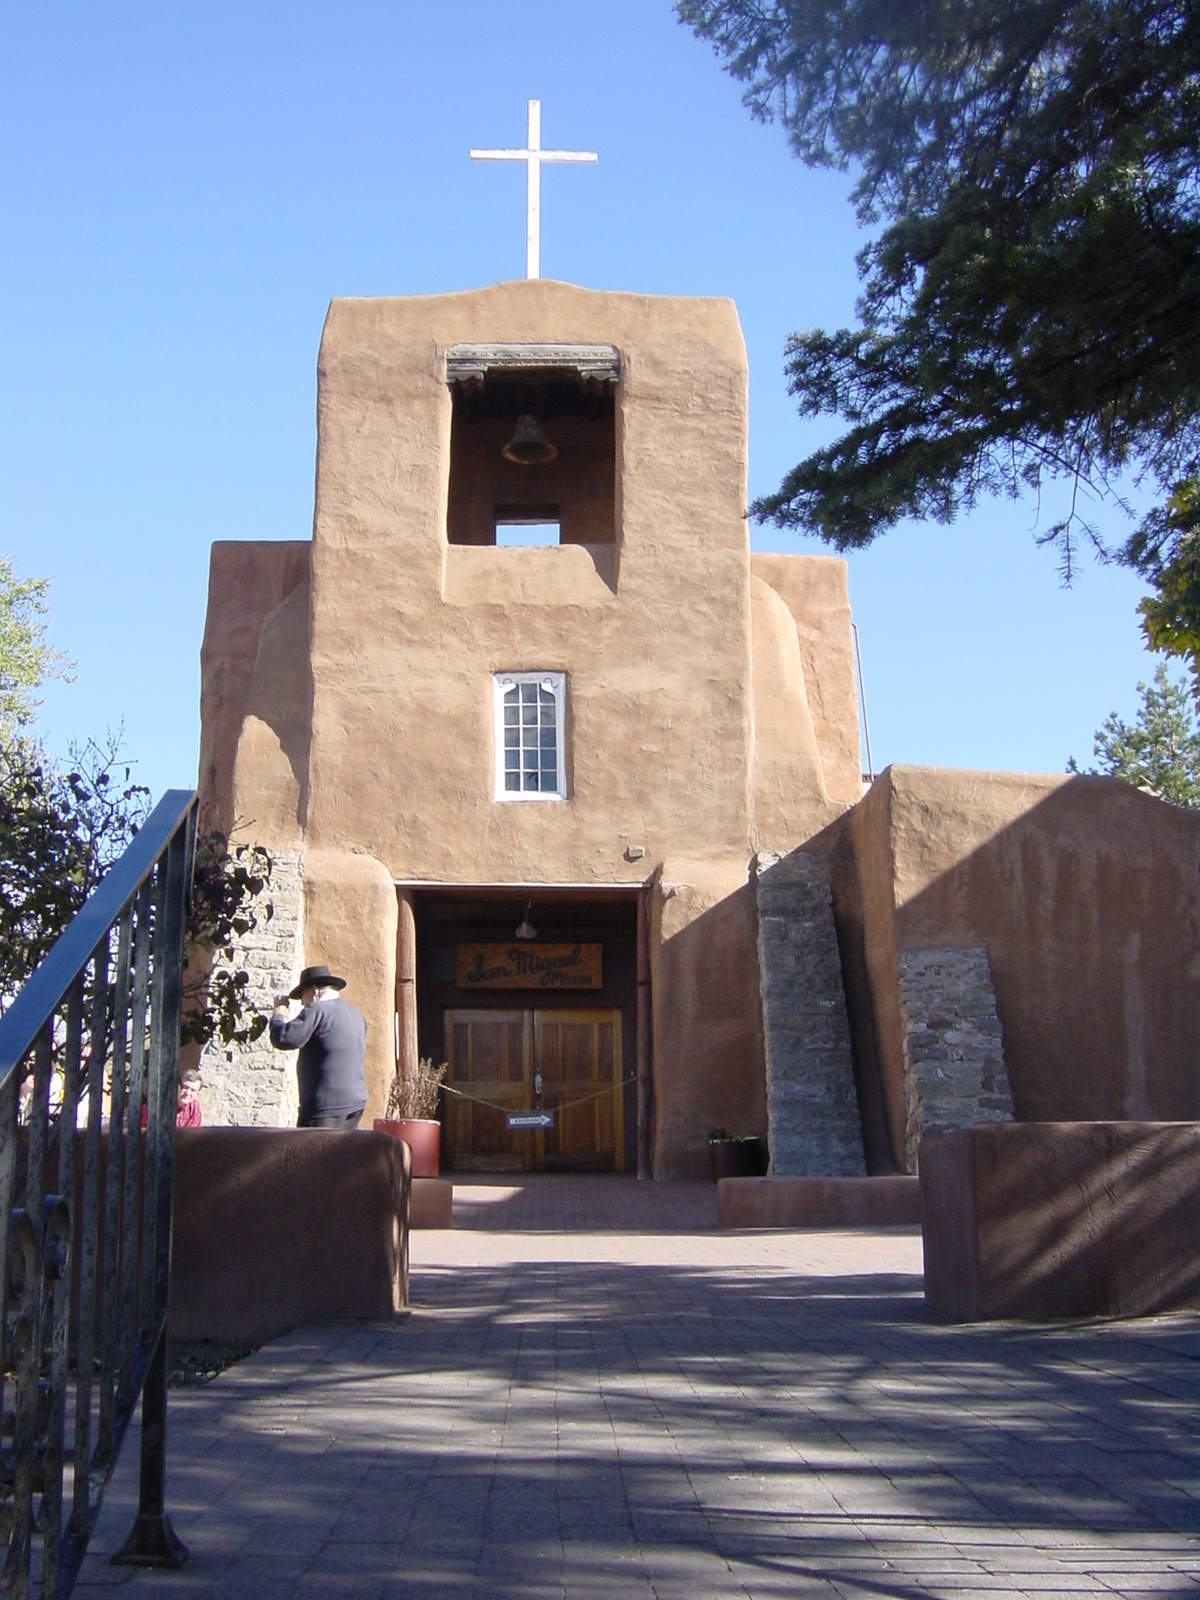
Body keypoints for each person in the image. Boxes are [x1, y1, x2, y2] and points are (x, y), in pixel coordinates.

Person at [269, 962, 368, 1129]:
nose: (302, 1003)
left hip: (325, 1105)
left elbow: (284, 1038)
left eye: (302, 996)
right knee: (344, 1153)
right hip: (356, 1102)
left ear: (314, 992)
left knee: (313, 1154)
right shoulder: (356, 1014)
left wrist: (278, 1013)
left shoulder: (317, 1009)